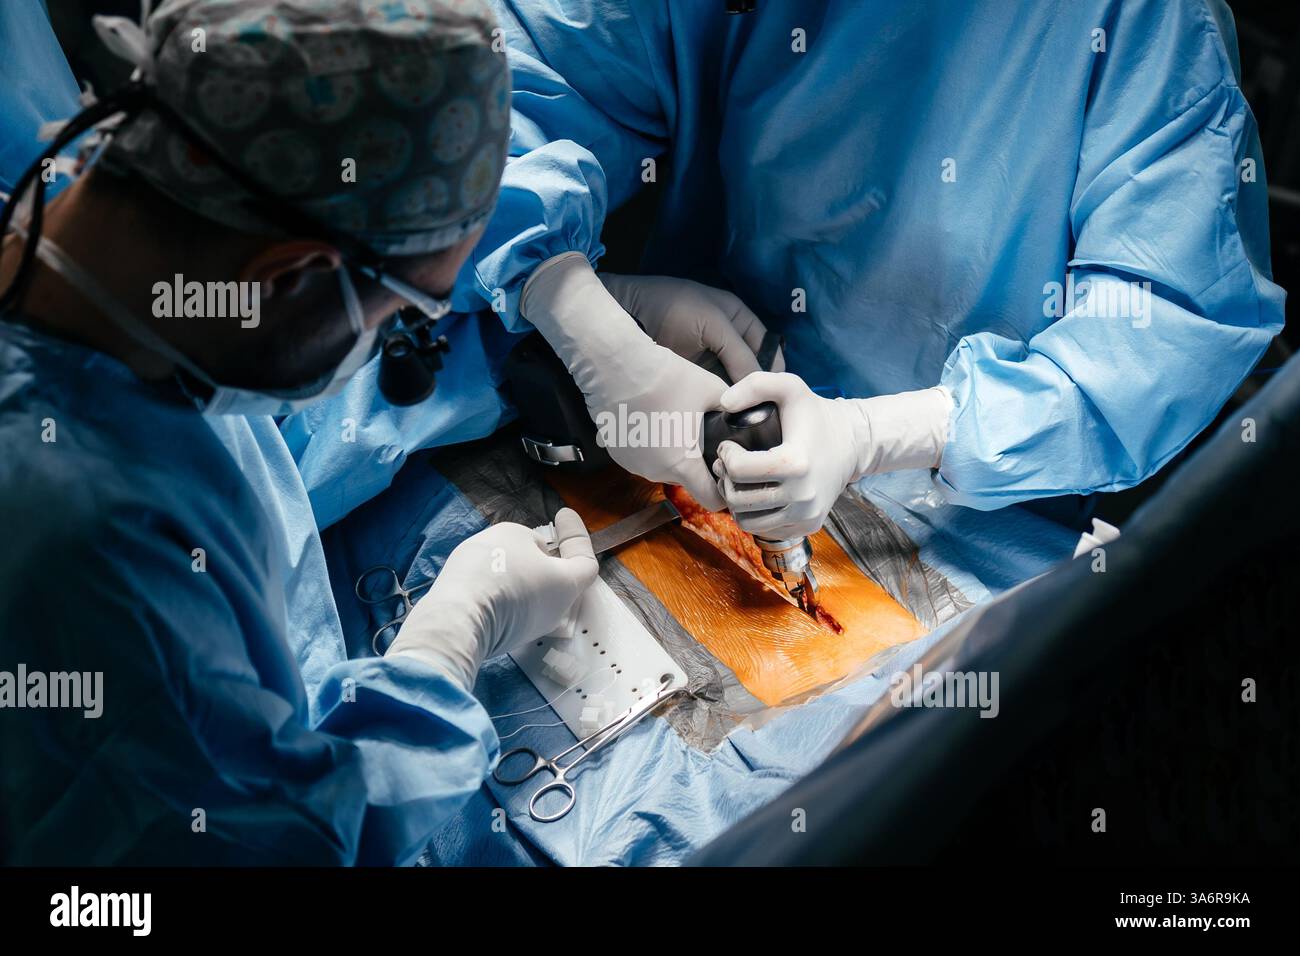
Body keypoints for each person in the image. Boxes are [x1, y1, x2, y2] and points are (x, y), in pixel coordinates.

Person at [0, 0, 598, 865]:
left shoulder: (93, 250)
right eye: (406, 318)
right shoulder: (101, 557)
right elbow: (276, 846)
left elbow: (262, 396)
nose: (395, 347)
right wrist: (446, 644)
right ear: (286, 275)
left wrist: (555, 312)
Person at [462, 0, 1285, 541]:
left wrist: (874, 435)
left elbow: (1160, 333)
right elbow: (505, 85)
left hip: (962, 506)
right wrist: (577, 303)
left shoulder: (1136, 23)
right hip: (681, 424)